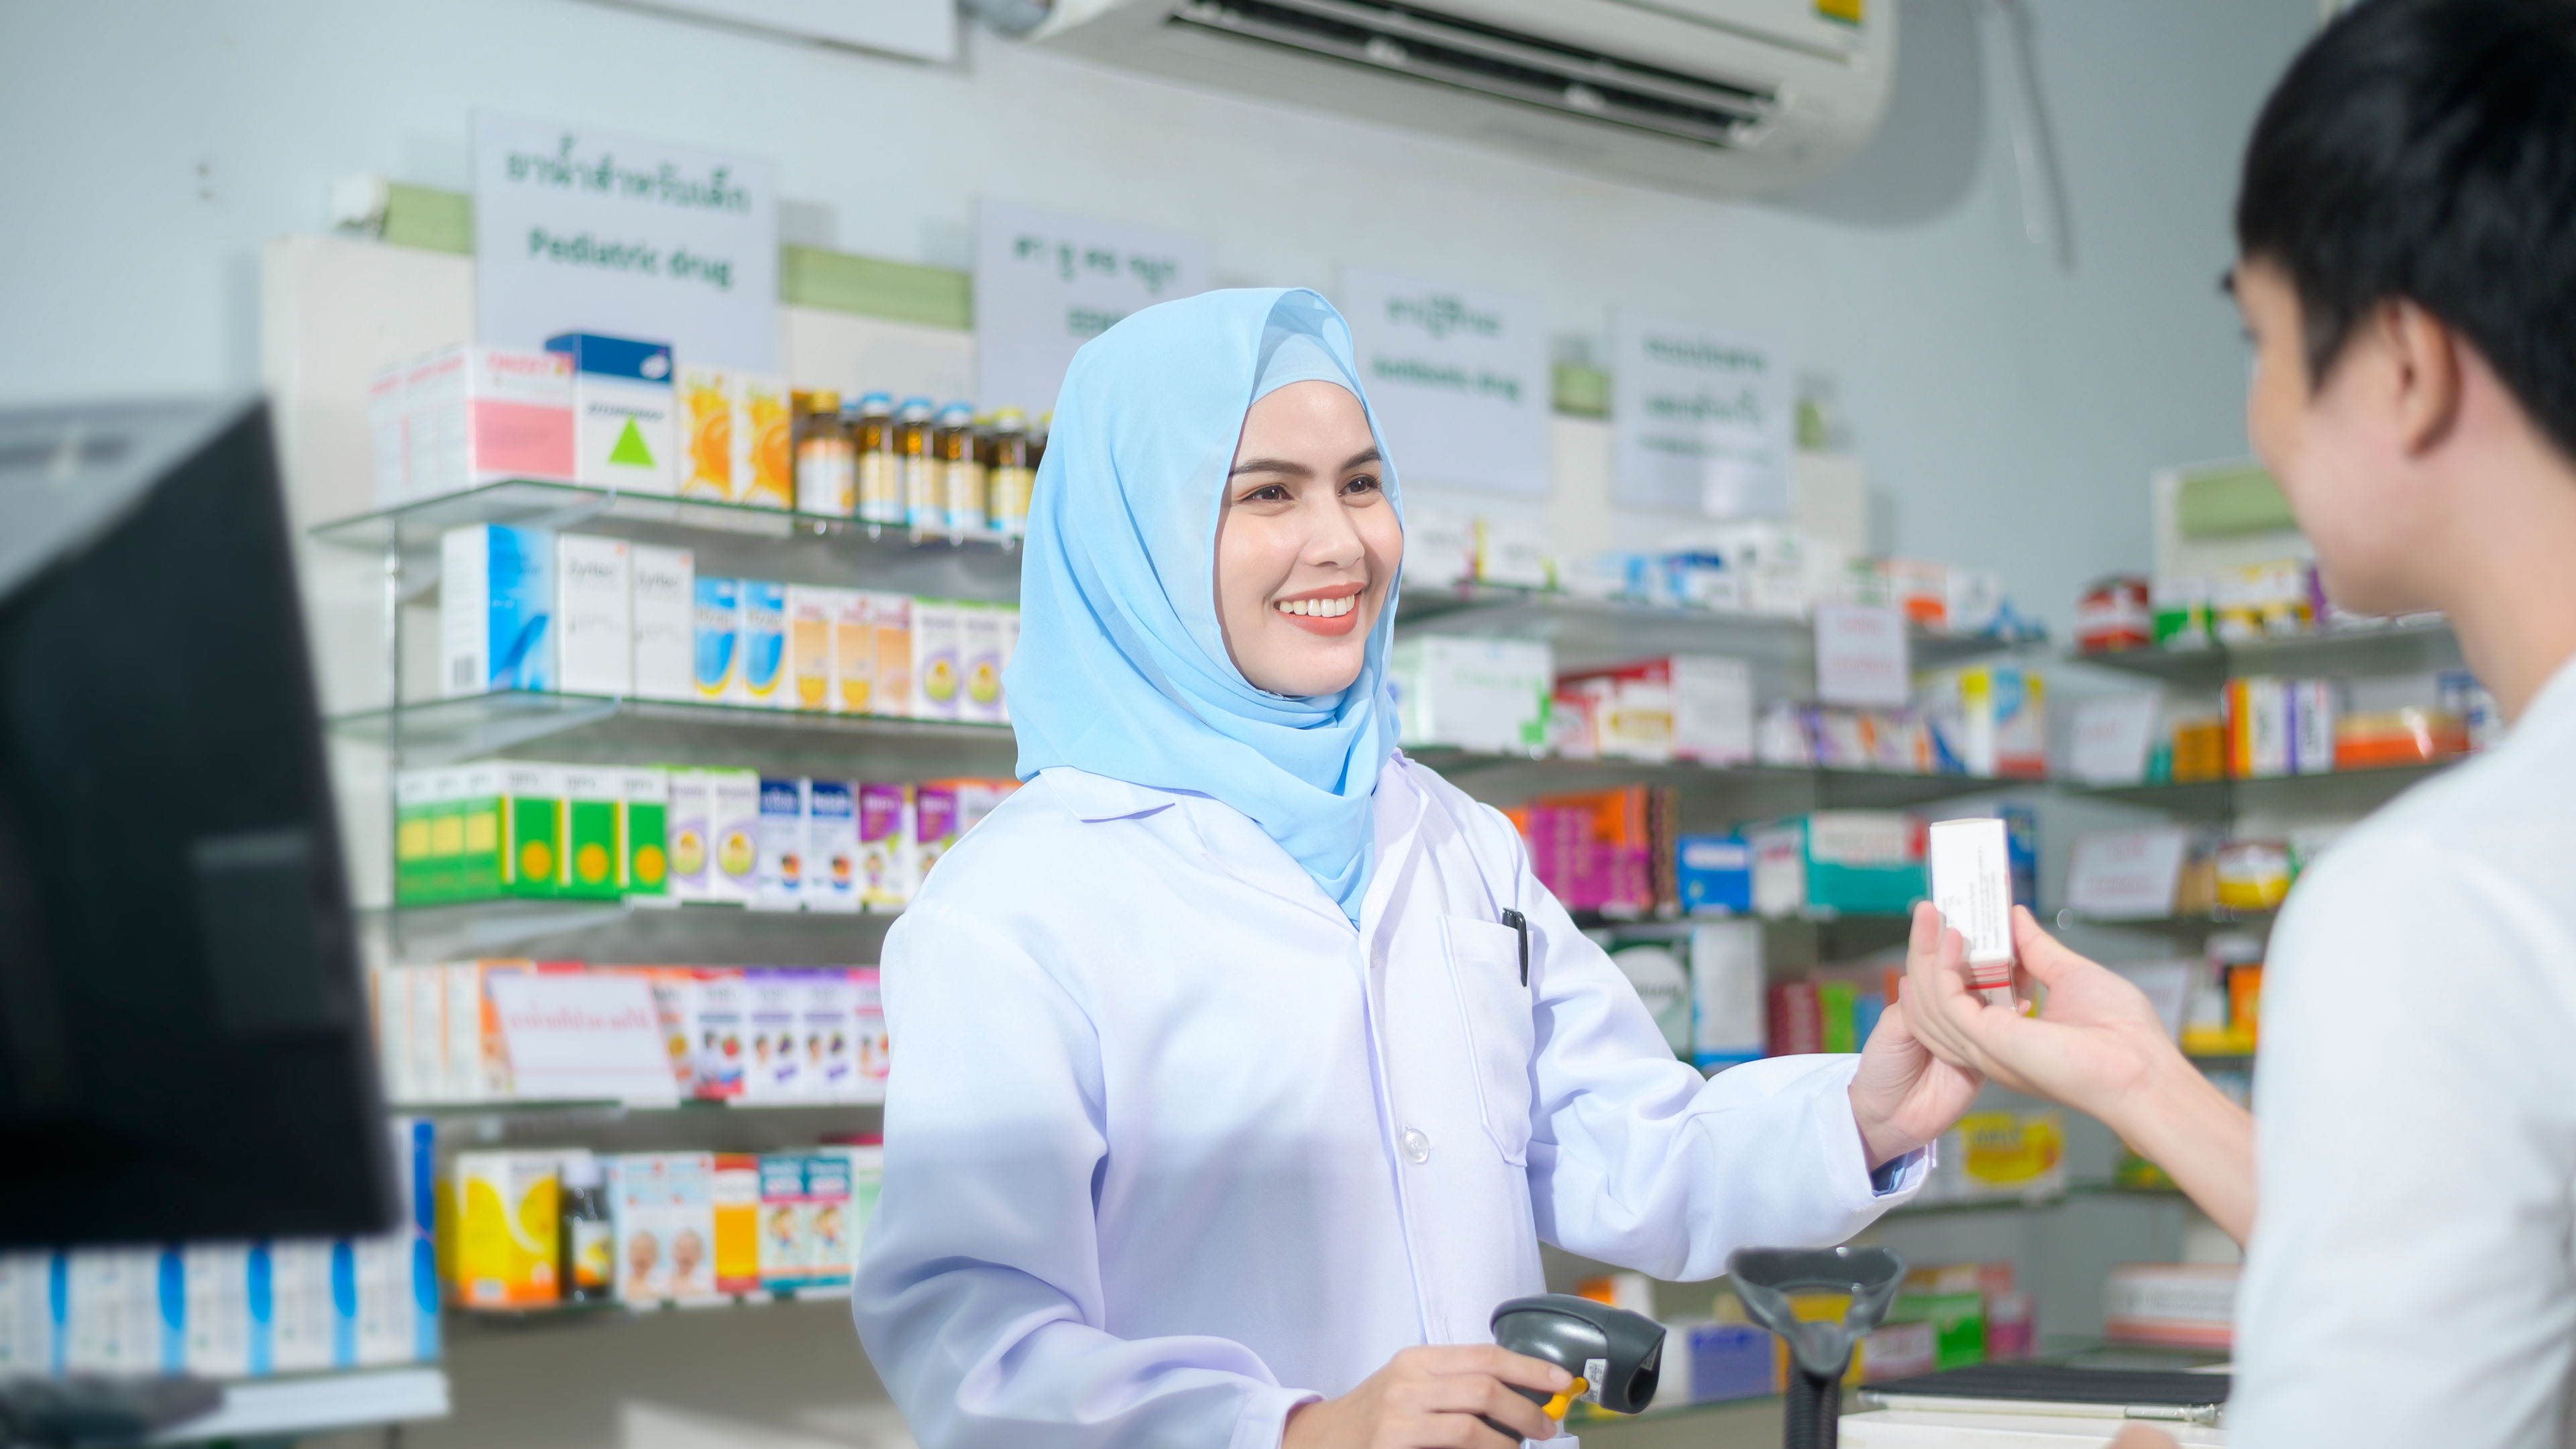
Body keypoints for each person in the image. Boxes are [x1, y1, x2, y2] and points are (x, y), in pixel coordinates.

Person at [851, 287, 1983, 1449]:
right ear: (1139, 534)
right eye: (1266, 493)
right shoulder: (1016, 903)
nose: (1341, 540)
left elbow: (1631, 1145)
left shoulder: (1453, 838)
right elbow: (972, 1336)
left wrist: (1863, 1119)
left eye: (1360, 482)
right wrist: (1292, 1431)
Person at [1904, 1, 2576, 1443]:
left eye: (2262, 336)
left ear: (2404, 361)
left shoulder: (2438, 907)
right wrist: (2139, 1074)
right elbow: (2494, 1251)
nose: (2261, 416)